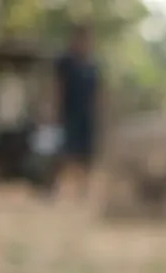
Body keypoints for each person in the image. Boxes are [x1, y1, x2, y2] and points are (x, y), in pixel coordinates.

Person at [53, 23, 101, 196]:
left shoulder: (92, 66)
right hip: (68, 114)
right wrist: (53, 112)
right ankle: (54, 188)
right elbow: (57, 88)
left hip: (86, 116)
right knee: (64, 153)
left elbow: (98, 94)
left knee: (86, 156)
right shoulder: (65, 63)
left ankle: (84, 190)